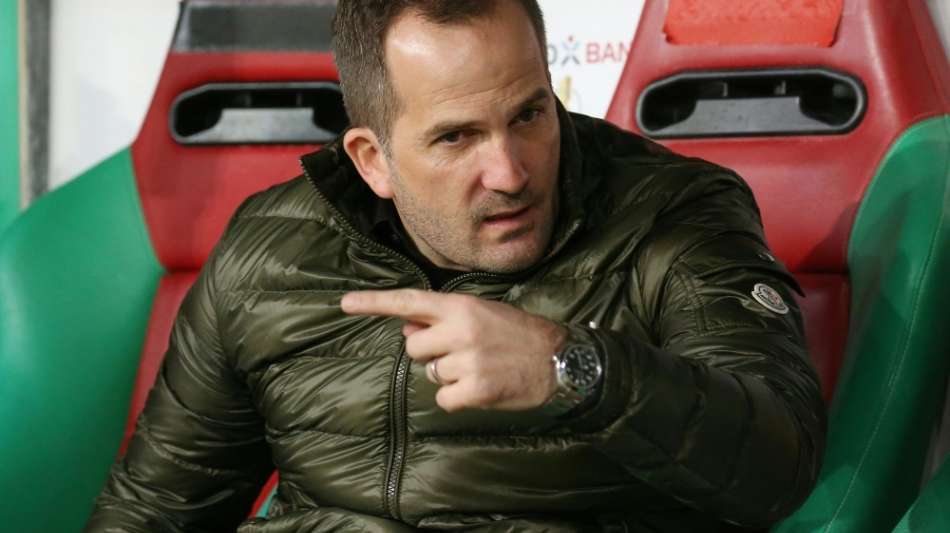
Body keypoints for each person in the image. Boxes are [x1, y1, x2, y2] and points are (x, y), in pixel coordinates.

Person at [85, 1, 826, 531]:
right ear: (372, 159)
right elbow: (158, 508)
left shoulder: (673, 214)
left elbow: (779, 464)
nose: (510, 172)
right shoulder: (268, 248)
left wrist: (574, 368)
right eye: (456, 138)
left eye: (529, 114)